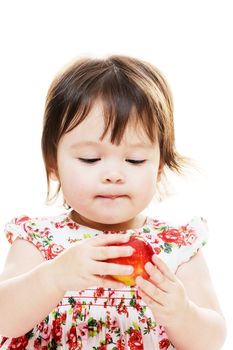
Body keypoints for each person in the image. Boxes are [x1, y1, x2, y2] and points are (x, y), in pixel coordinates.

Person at [0, 55, 226, 350]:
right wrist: (53, 277)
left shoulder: (176, 246)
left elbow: (212, 340)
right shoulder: (39, 241)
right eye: (90, 159)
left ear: (158, 168)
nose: (114, 175)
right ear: (53, 163)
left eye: (135, 160)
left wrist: (182, 313)